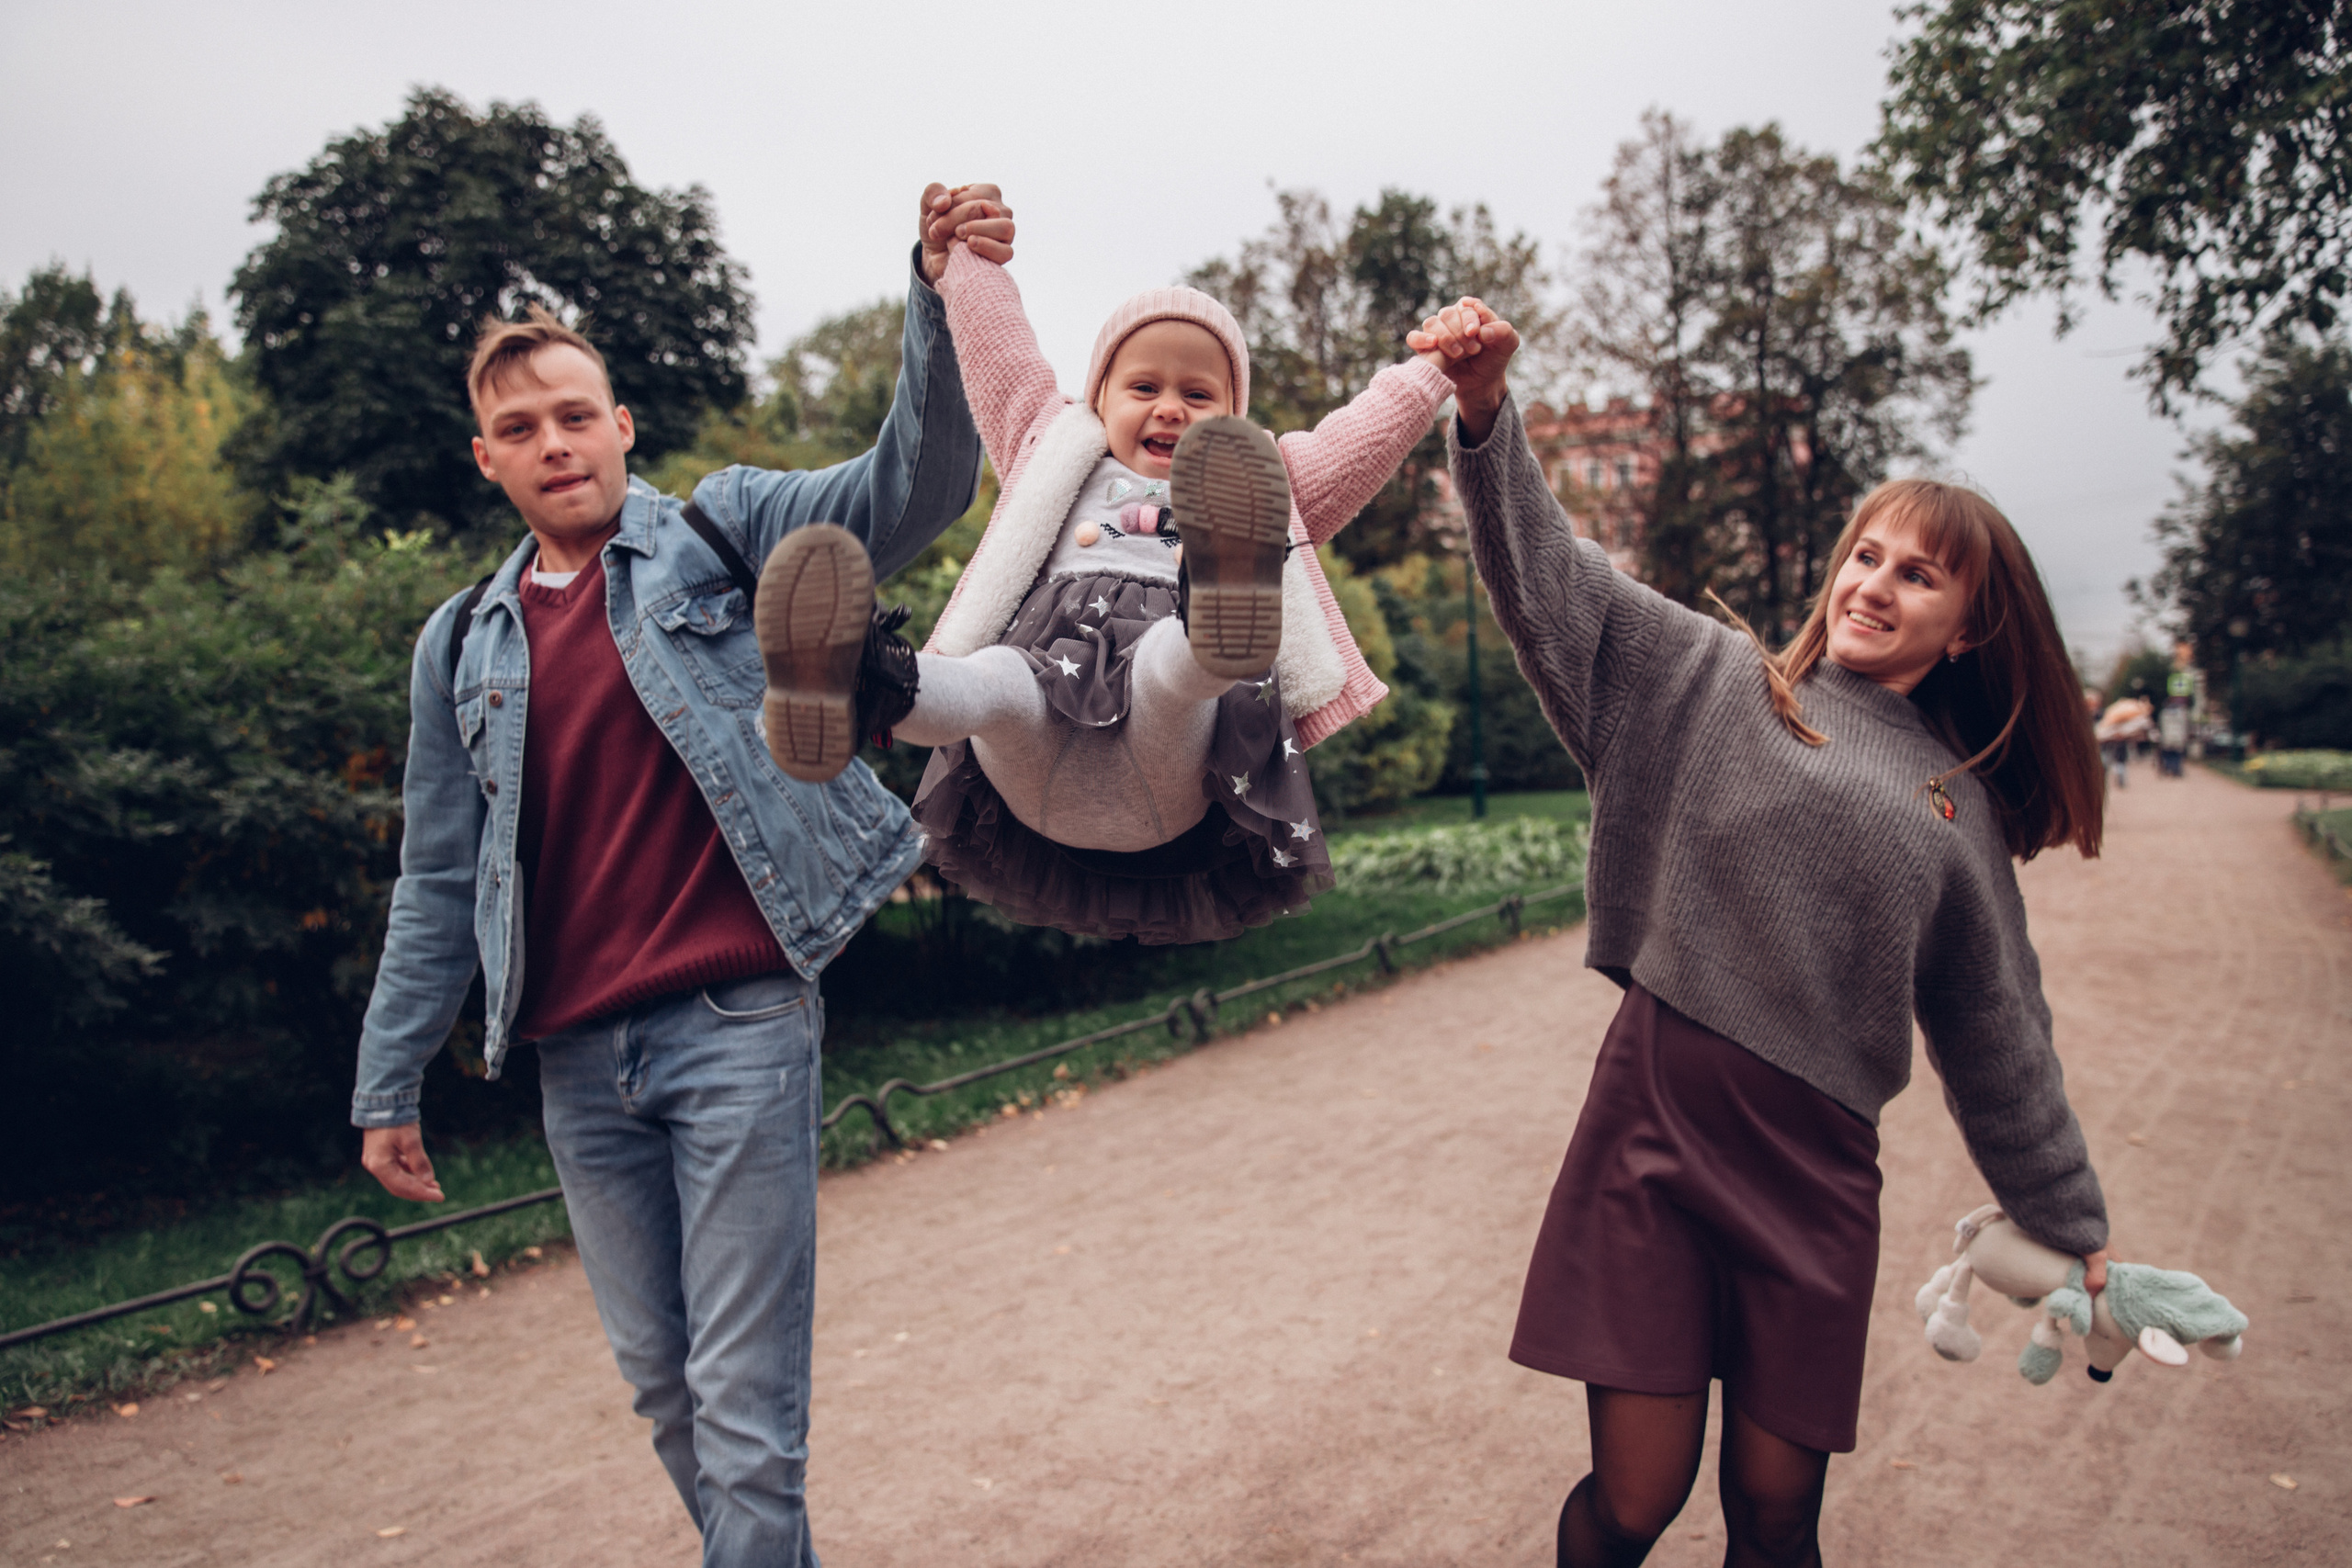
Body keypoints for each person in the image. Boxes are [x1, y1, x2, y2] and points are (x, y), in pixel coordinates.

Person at [350, 182, 1012, 1567]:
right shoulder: (461, 644)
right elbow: (438, 873)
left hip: (736, 1027)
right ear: (488, 459)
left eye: (575, 414)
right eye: (521, 428)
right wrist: (388, 1074)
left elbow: (918, 485)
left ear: (619, 424)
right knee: (670, 1396)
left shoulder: (724, 532)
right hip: (575, 1061)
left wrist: (937, 292)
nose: (555, 443)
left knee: (746, 1410)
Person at [1411, 298, 2112, 1568]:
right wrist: (1482, 412)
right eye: (1865, 555)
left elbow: (2003, 1040)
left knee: (1779, 1512)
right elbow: (1553, 584)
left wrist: (2072, 1221)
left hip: (1817, 1173)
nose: (1874, 584)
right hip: (1654, 1137)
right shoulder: (1719, 684)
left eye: (1918, 571)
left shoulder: (1959, 810)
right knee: (1634, 1497)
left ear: (1972, 622)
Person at [762, 217, 1459, 942]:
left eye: (1199, 395)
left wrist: (1434, 366)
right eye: (1145, 386)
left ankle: (1216, 613)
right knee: (997, 679)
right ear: (1099, 396)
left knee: (1165, 669)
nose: (1169, 407)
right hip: (1034, 739)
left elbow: (1359, 440)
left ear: (1232, 419)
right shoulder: (1050, 444)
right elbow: (1003, 354)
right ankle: (862, 681)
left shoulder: (1266, 487)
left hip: (1168, 766)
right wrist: (961, 262)